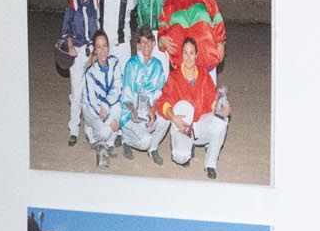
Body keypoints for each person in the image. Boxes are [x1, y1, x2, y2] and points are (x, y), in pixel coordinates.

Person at [158, 36, 229, 178]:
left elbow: (212, 98)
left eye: (191, 53)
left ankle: (210, 163)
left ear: (196, 55)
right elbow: (163, 100)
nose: (188, 57)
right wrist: (173, 118)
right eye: (185, 52)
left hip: (200, 125)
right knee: (181, 157)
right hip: (182, 127)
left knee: (222, 120)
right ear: (181, 54)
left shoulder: (203, 75)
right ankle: (184, 146)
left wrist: (223, 109)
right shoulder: (174, 77)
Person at [61, 0, 103, 146]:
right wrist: (70, 46)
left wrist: (96, 51)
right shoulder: (72, 1)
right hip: (77, 52)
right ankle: (74, 129)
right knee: (77, 92)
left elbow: (99, 27)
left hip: (91, 52)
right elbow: (66, 27)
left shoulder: (95, 1)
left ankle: (89, 128)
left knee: (90, 93)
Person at [117, 27, 170, 166]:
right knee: (144, 142)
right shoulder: (131, 64)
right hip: (131, 114)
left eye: (149, 42)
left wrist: (153, 109)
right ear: (138, 45)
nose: (146, 45)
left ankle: (153, 149)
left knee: (166, 119)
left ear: (153, 44)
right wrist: (133, 111)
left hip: (147, 113)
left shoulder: (157, 65)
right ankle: (126, 139)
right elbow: (126, 94)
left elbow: (159, 92)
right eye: (142, 42)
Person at [78, 30, 122, 167]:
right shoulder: (90, 71)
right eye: (98, 47)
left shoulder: (115, 63)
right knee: (104, 131)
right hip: (91, 110)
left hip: (105, 106)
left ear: (108, 47)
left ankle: (107, 144)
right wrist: (108, 119)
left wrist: (107, 104)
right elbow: (91, 102)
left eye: (105, 46)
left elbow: (117, 88)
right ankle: (92, 134)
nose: (102, 50)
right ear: (95, 50)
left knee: (121, 108)